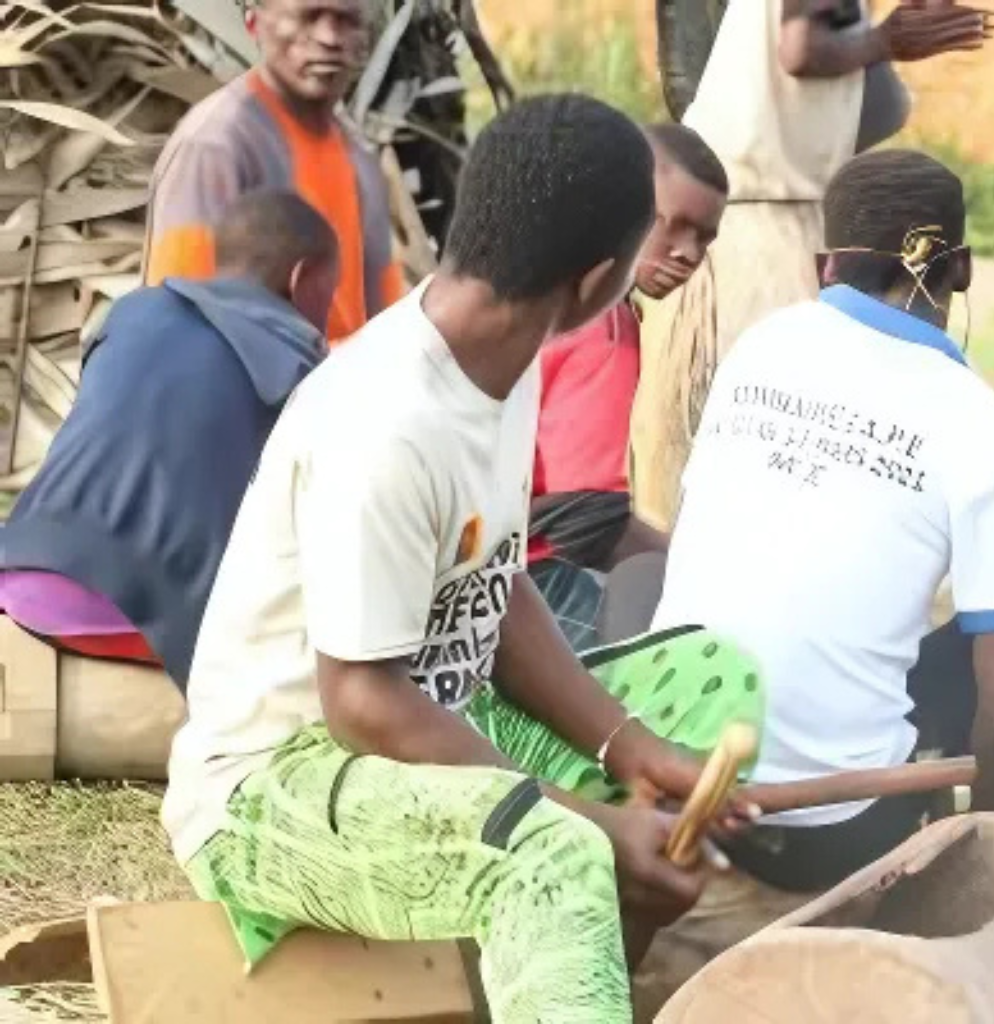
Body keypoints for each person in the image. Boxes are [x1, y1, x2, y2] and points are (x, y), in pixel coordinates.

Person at [160, 96, 764, 1023]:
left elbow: (495, 579)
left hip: (426, 721)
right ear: (597, 280)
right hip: (276, 789)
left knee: (714, 674)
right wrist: (591, 822)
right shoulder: (388, 424)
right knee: (553, 855)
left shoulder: (502, 357)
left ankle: (580, 971)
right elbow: (362, 703)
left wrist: (629, 746)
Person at [649, 149, 994, 892]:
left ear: (822, 268)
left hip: (672, 786)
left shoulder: (759, 347)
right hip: (828, 834)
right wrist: (974, 862)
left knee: (645, 571)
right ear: (962, 270)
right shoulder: (991, 435)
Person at [629, 0, 994, 528]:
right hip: (757, 243)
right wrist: (885, 42)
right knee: (755, 469)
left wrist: (879, 47)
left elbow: (858, 98)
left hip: (761, 228)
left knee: (701, 468)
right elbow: (799, 50)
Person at [0, 191, 337, 686]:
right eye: (332, 289)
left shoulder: (129, 313)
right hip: (130, 614)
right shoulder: (303, 370)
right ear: (301, 278)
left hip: (21, 567)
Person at [529, 123, 729, 652]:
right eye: (671, 226)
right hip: (518, 580)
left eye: (703, 238)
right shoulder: (603, 332)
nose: (687, 253)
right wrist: (687, 563)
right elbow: (583, 521)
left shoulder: (528, 281)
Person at [143, 0, 405, 344]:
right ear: (254, 24)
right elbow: (179, 328)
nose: (329, 38)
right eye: (308, 16)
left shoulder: (359, 159)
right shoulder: (214, 148)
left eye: (345, 20)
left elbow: (384, 321)